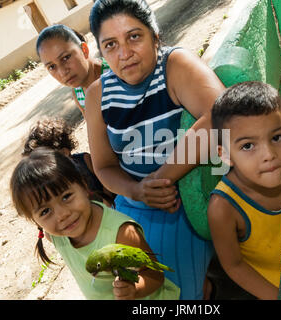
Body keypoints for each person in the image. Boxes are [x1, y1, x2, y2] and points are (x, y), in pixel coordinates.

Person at [84, 0, 225, 299]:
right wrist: (137, 191)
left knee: (174, 292)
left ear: (155, 35)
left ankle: (205, 288)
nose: (124, 54)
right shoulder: (97, 94)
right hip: (133, 201)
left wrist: (160, 180)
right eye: (110, 44)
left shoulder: (174, 66)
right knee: (114, 287)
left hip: (183, 195)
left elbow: (221, 115)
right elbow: (104, 166)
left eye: (134, 36)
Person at [10, 147, 180, 300]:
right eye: (45, 211)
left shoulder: (122, 234)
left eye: (66, 197)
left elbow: (155, 275)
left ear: (84, 185)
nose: (63, 215)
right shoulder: (54, 236)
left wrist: (134, 289)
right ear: (34, 221)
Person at [208, 81, 281, 300]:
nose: (269, 154)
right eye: (248, 146)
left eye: (276, 138)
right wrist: (279, 296)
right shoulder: (223, 207)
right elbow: (234, 266)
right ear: (225, 155)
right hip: (264, 290)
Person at [22, 117, 116, 207]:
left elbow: (106, 181)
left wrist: (107, 202)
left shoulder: (85, 161)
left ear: (64, 153)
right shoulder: (51, 181)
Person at [36, 24, 109, 117]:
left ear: (84, 50)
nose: (63, 72)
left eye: (66, 57)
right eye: (52, 67)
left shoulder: (115, 74)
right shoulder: (78, 94)